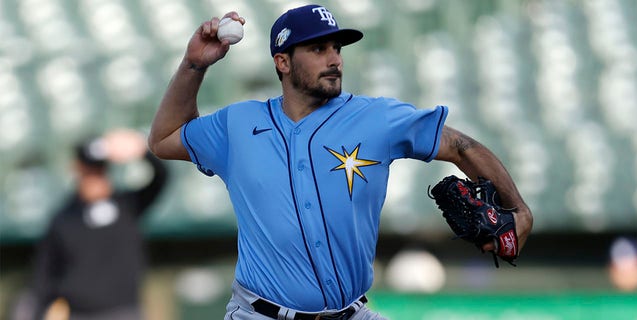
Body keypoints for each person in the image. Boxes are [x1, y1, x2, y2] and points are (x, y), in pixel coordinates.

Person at [148, 4, 533, 320]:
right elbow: (165, 139)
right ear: (282, 61)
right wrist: (194, 64)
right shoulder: (237, 124)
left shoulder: (375, 117)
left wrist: (517, 208)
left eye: (337, 48)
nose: (334, 59)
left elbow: (461, 146)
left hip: (353, 313)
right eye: (318, 49)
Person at [30, 129, 168, 320]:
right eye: (89, 171)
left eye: (99, 169)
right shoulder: (64, 218)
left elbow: (161, 177)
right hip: (80, 314)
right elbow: (45, 276)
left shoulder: (128, 205)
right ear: (77, 169)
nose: (95, 177)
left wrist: (142, 151)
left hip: (125, 312)